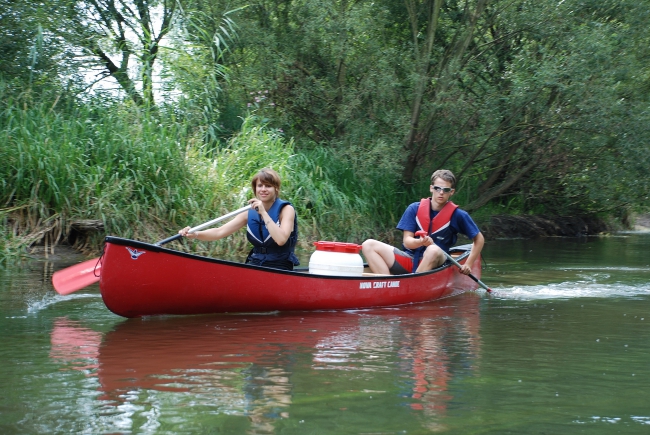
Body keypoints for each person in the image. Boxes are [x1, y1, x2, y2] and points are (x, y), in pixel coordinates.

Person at [362, 169, 484, 275]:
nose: (441, 192)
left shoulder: (459, 215)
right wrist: (420, 242)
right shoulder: (414, 208)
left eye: (446, 190)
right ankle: (387, 283)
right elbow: (407, 242)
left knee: (432, 249)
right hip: (410, 258)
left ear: (451, 192)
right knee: (368, 244)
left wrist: (468, 263)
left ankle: (413, 283)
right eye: (437, 188)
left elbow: (479, 239)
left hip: (437, 259)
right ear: (431, 188)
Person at [179, 168, 300, 270]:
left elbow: (281, 240)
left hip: (280, 265)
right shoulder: (249, 213)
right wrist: (195, 234)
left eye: (268, 186)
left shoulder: (286, 210)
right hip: (256, 263)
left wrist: (263, 212)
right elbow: (219, 232)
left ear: (276, 189)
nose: (263, 189)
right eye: (260, 186)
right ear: (255, 189)